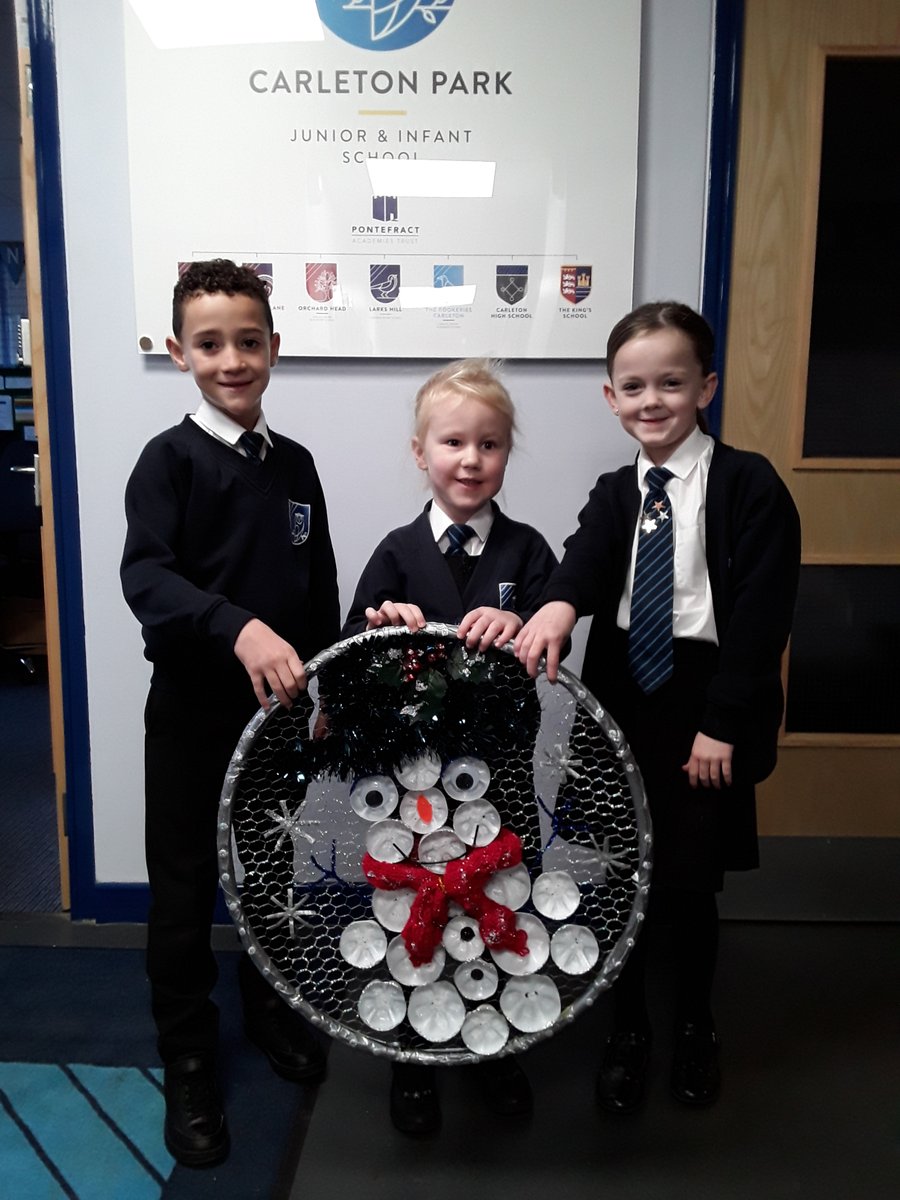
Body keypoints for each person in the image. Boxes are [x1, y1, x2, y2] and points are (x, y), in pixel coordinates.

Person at [515, 302, 800, 1114]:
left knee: (686, 882)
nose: (652, 401)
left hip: (706, 699)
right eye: (634, 386)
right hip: (625, 704)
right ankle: (628, 1026)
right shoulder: (615, 492)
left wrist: (722, 722)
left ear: (704, 386)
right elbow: (584, 563)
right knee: (617, 876)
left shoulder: (747, 484)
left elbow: (761, 617)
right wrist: (561, 608)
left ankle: (694, 1026)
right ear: (611, 397)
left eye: (671, 383)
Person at [121, 259, 340, 1168]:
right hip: (192, 718)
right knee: (183, 896)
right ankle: (188, 1054)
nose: (232, 359)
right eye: (210, 343)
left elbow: (317, 584)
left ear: (273, 348)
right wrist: (236, 625)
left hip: (282, 724)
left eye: (248, 341)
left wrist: (324, 684)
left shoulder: (296, 467)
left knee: (272, 881)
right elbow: (147, 579)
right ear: (180, 353)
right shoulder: (167, 461)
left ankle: (269, 1009)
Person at [344, 358, 558, 1134]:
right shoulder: (396, 553)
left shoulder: (530, 553)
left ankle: (502, 1046)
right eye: (454, 442)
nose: (471, 460)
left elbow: (553, 645)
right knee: (413, 911)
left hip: (501, 777)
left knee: (506, 904)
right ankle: (412, 1052)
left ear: (507, 454)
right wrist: (377, 633)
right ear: (419, 452)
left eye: (491, 444)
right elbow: (347, 657)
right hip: (413, 787)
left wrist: (527, 629)